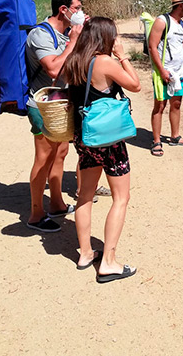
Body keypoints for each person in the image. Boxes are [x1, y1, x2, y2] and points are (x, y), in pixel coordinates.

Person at [61, 17, 141, 283]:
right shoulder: (104, 62)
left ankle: (85, 253)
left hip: (86, 137)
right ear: (106, 37)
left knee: (85, 195)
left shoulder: (75, 60)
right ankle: (108, 262)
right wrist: (123, 57)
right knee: (121, 197)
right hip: (109, 140)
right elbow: (135, 85)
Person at [25, 0, 84, 233]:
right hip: (42, 107)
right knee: (43, 157)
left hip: (62, 104)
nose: (81, 13)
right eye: (77, 9)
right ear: (64, 10)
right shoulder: (41, 35)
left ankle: (57, 203)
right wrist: (73, 41)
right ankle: (36, 214)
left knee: (60, 153)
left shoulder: (67, 32)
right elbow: (53, 69)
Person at [148, 0, 183, 157]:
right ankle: (156, 141)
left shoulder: (182, 25)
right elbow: (152, 47)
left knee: (176, 104)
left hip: (179, 73)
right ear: (181, 5)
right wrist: (162, 70)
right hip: (164, 72)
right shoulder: (162, 21)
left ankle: (175, 136)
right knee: (160, 106)